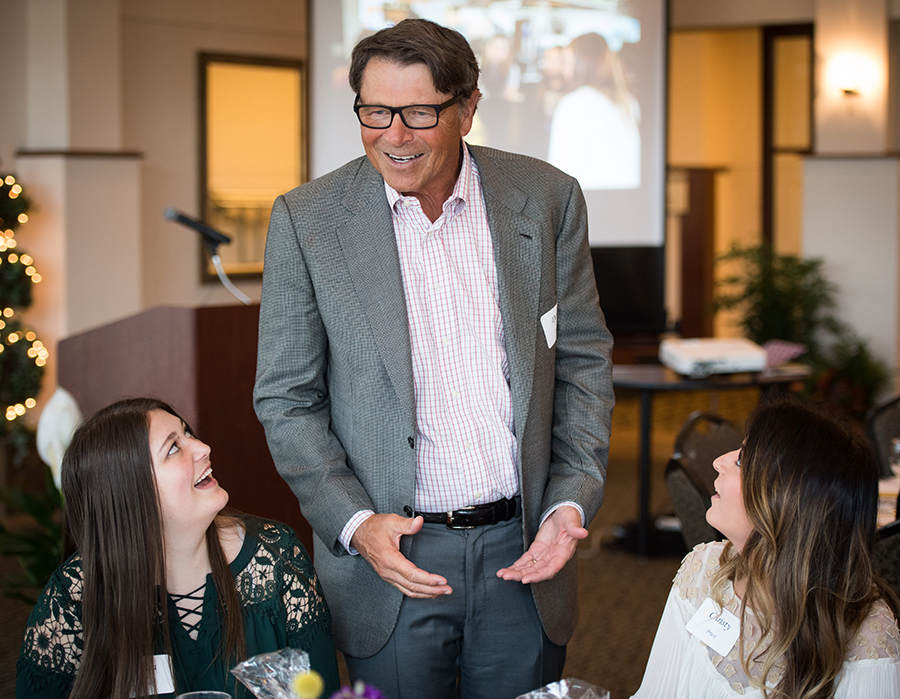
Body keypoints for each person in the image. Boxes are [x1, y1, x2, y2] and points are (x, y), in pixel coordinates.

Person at [253, 18, 614, 699]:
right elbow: (286, 398)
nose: (393, 135)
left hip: (525, 548)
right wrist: (356, 524)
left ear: (467, 106)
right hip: (390, 564)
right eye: (374, 112)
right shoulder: (308, 220)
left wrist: (571, 499)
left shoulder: (546, 196)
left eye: (419, 113)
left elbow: (585, 360)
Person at [16, 398, 340, 699]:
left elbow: (321, 690)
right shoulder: (74, 598)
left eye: (187, 434)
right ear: (130, 494)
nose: (202, 447)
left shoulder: (276, 555)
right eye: (173, 448)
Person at [631, 401, 900, 699]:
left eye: (742, 460)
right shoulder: (703, 570)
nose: (718, 461)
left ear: (785, 499)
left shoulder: (866, 632)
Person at [548, 33, 640, 190]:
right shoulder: (628, 102)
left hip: (586, 200)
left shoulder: (574, 103)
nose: (564, 70)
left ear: (584, 63)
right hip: (626, 199)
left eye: (568, 62)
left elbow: (557, 175)